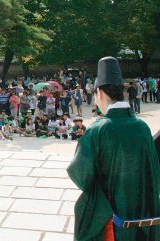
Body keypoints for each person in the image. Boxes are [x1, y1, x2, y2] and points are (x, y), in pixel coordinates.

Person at [67, 57, 159, 241]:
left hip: (113, 219)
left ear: (100, 93)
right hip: (144, 215)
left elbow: (80, 174)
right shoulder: (142, 127)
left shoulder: (98, 129)